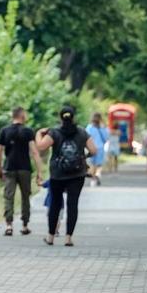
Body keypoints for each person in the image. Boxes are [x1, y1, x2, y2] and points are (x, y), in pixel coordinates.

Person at [35, 105, 97, 247]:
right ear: (74, 117)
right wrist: (83, 157)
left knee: (55, 205)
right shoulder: (82, 133)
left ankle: (50, 237)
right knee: (72, 204)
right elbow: (94, 150)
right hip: (77, 174)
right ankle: (68, 238)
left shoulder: (54, 133)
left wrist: (39, 132)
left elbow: (40, 146)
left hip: (57, 174)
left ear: (60, 117)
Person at [0, 107, 44, 236]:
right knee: (25, 197)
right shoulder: (28, 131)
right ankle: (25, 225)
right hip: (25, 169)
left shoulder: (4, 131)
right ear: (22, 116)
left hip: (9, 168)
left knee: (8, 197)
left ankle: (9, 226)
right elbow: (34, 152)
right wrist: (40, 172)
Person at [85, 112, 109, 185]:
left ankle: (93, 179)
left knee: (92, 164)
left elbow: (85, 137)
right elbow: (106, 138)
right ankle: (98, 174)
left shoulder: (89, 127)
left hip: (91, 147)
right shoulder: (102, 127)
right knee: (99, 165)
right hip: (100, 148)